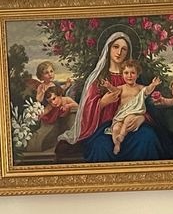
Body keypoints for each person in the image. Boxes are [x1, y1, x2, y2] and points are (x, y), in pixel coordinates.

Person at [62, 31, 167, 163]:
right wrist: (102, 103)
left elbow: (145, 103)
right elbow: (86, 109)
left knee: (148, 138)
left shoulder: (133, 77)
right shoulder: (99, 78)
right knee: (101, 147)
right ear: (108, 48)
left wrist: (141, 118)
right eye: (115, 47)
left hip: (133, 123)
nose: (119, 52)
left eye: (124, 49)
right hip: (105, 127)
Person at [108, 61, 159, 154]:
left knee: (128, 120)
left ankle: (122, 136)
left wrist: (153, 85)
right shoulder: (121, 88)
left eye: (132, 73)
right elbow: (114, 90)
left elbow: (147, 90)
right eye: (126, 73)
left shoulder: (140, 88)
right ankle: (117, 144)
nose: (129, 76)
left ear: (137, 75)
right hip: (121, 115)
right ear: (122, 75)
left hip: (133, 113)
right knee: (115, 128)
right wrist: (108, 86)